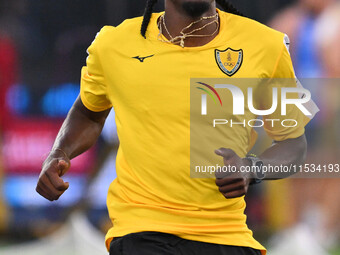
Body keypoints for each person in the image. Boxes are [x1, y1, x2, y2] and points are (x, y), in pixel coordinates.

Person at [36, 0, 317, 254]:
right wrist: (60, 152)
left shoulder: (265, 45)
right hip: (142, 230)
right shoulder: (114, 44)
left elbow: (293, 142)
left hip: (228, 236)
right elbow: (89, 112)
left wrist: (251, 167)